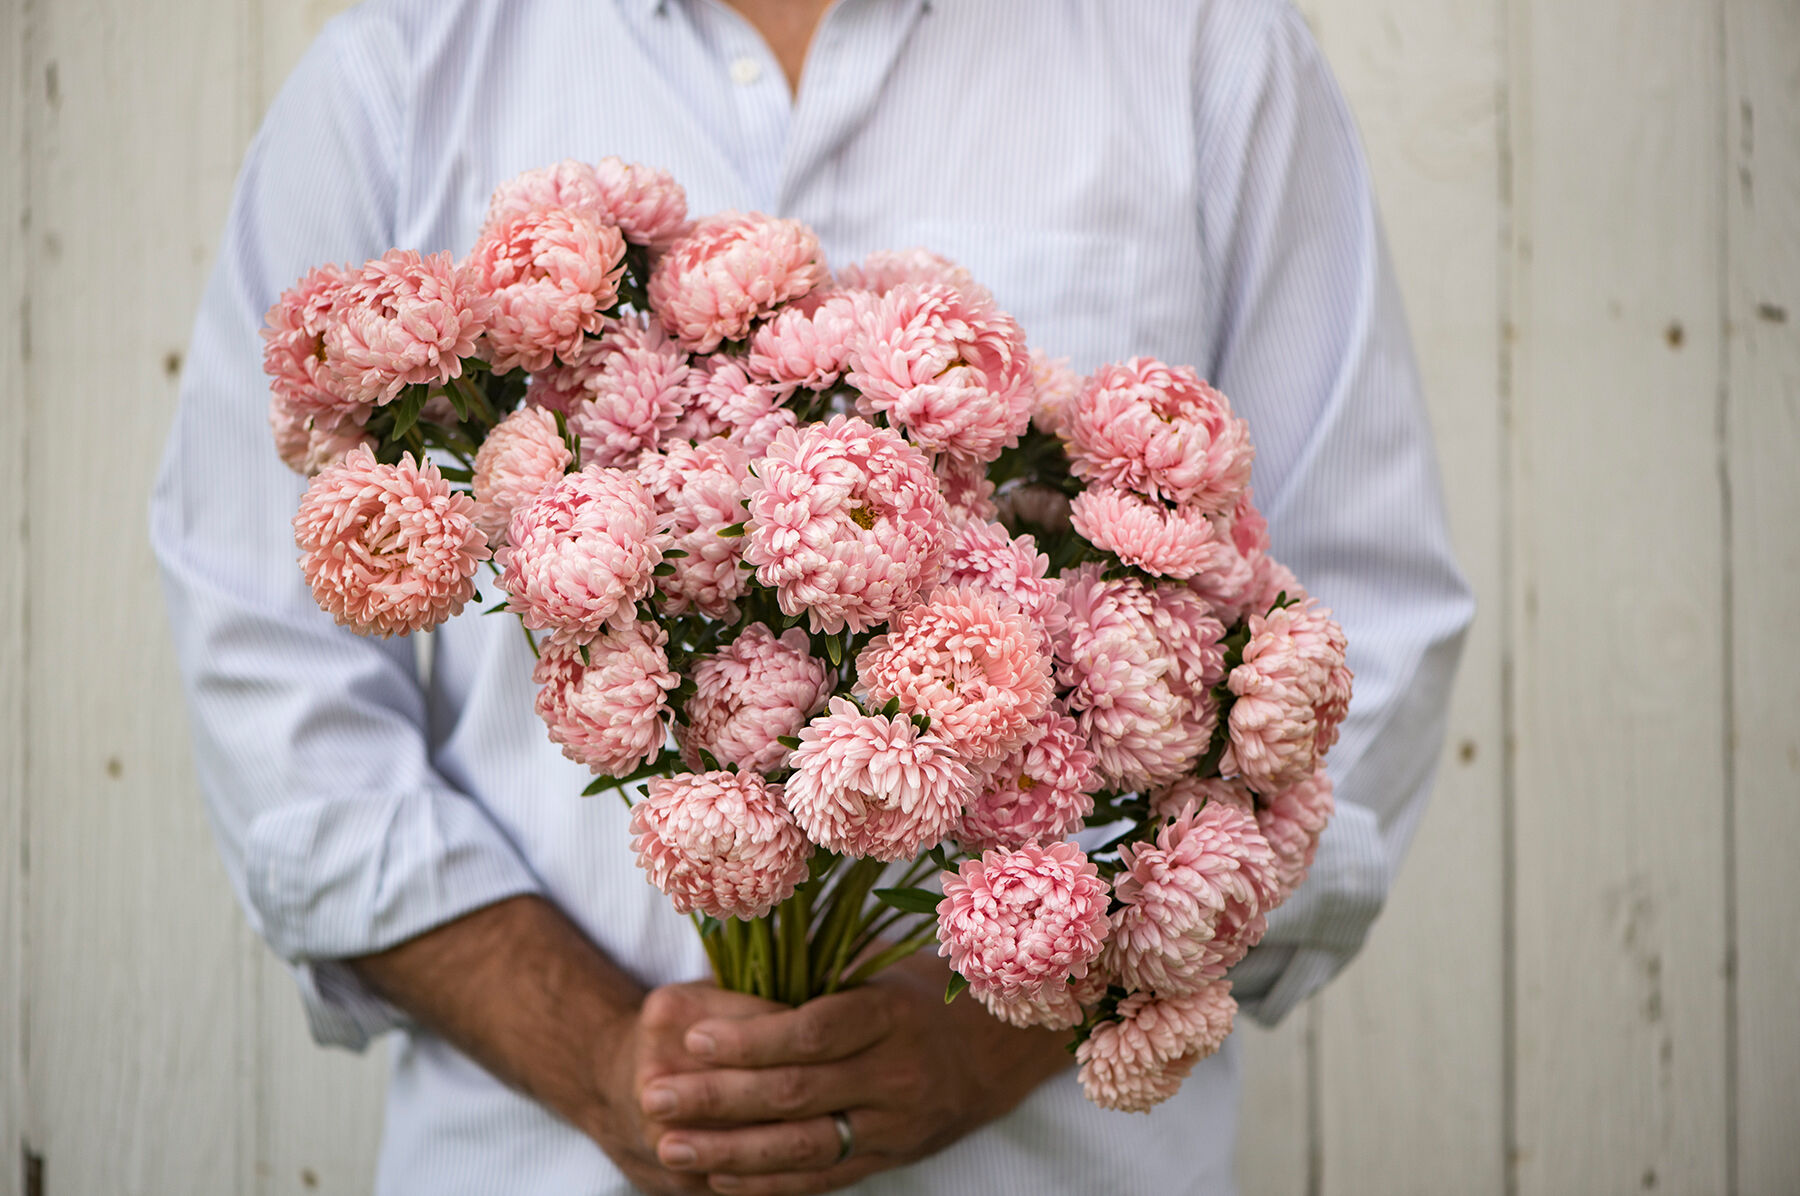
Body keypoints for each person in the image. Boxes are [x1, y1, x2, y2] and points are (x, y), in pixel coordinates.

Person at [150, 0, 1475, 1192]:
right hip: (530, 1157)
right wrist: (594, 1052)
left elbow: (1366, 631)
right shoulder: (402, 63)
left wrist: (1004, 1013)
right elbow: (265, 650)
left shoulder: (1204, 48)